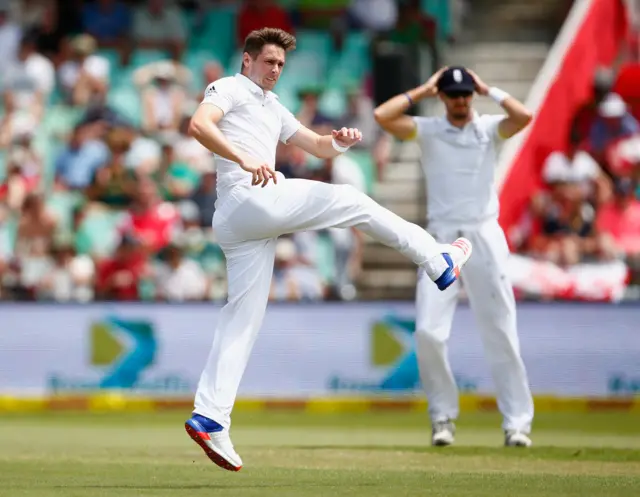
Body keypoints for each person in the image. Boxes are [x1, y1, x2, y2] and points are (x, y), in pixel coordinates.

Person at [183, 28, 473, 472]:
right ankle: (437, 258)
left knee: (243, 318)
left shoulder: (273, 106)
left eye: (280, 64)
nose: (275, 70)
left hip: (244, 223)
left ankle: (210, 416)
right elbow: (199, 125)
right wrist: (243, 158)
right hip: (249, 198)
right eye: (268, 62)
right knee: (351, 201)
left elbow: (315, 146)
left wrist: (338, 142)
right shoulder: (230, 87)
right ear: (247, 61)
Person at [374, 66, 535, 447]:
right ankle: (442, 418)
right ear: (443, 97)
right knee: (429, 331)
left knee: (501, 331)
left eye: (466, 94)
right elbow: (383, 115)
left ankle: (517, 423)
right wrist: (425, 89)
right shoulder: (428, 130)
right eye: (453, 94)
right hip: (441, 236)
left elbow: (524, 117)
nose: (461, 100)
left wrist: (488, 88)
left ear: (472, 95)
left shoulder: (490, 127)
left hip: (483, 232)